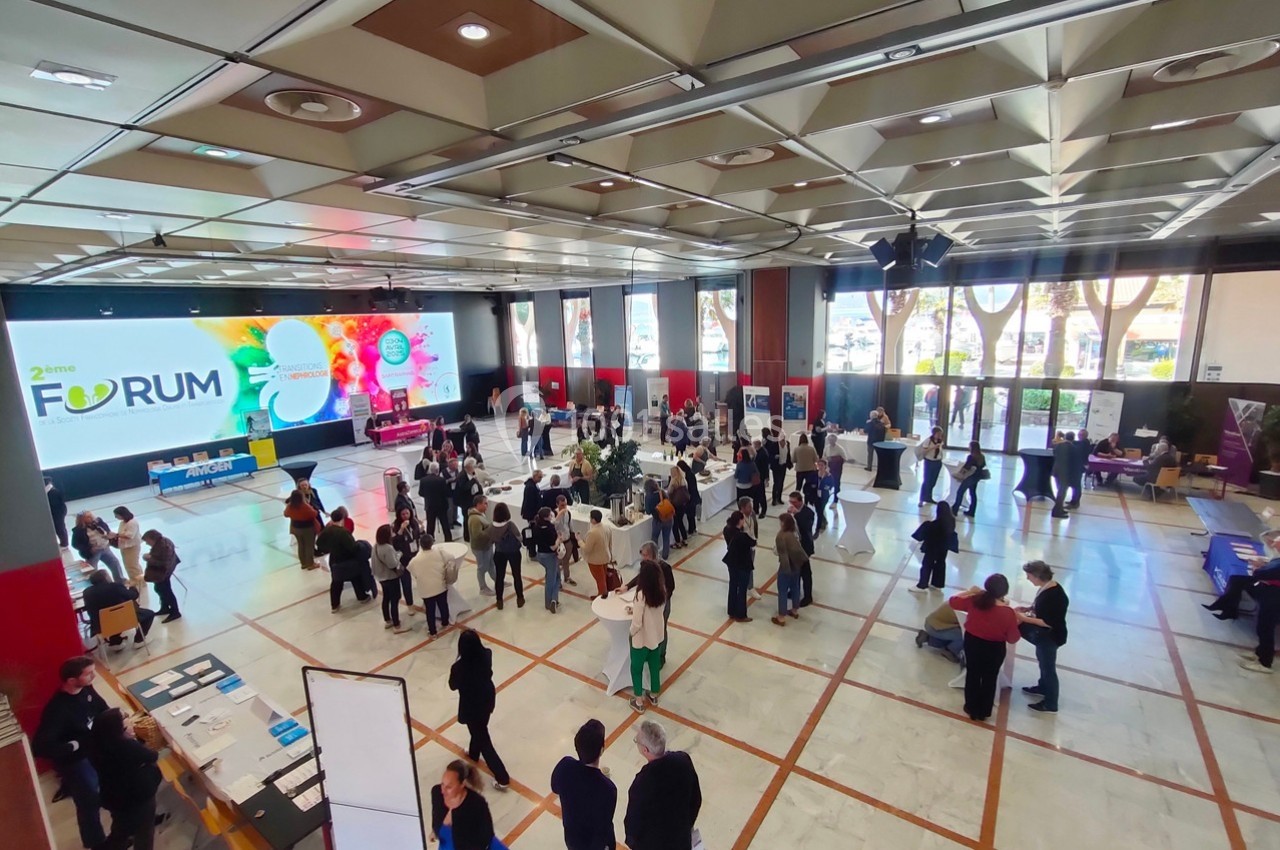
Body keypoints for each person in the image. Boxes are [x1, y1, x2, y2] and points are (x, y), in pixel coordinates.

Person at [34, 656, 107, 849]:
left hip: (94, 749)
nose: (94, 675)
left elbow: (101, 708)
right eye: (88, 673)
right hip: (76, 762)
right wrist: (72, 746)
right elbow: (40, 746)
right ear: (71, 680)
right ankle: (96, 843)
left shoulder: (87, 689)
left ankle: (126, 826)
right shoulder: (57, 710)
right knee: (88, 803)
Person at [948, 575, 1021, 721]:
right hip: (995, 648)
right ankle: (984, 710)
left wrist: (970, 591)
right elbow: (1013, 638)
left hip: (973, 642)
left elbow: (953, 602)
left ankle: (971, 707)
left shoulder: (975, 601)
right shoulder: (1008, 613)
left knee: (973, 674)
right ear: (1004, 592)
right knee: (990, 678)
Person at [624, 720, 702, 850]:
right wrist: (686, 826)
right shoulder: (683, 760)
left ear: (645, 750)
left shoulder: (642, 783)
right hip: (681, 841)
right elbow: (696, 798)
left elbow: (633, 822)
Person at [90, 708, 161, 850]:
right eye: (127, 727)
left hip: (114, 798)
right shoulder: (126, 746)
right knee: (144, 833)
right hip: (137, 799)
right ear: (119, 731)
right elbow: (152, 756)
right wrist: (135, 740)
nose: (132, 729)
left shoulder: (99, 745)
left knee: (121, 829)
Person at [449, 629, 510, 790]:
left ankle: (502, 777)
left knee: (483, 738)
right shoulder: (486, 654)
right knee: (480, 729)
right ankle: (474, 754)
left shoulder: (459, 667)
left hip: (471, 705)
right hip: (487, 699)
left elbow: (452, 685)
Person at [551, 719, 617, 850]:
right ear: (602, 750)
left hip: (573, 838)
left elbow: (554, 787)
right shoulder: (608, 788)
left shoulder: (565, 766)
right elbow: (603, 825)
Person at [1015, 560, 1069, 712]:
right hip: (1048, 635)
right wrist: (1027, 608)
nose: (1027, 579)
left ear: (1037, 576)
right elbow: (1042, 608)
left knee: (1047, 668)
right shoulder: (1048, 587)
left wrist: (1023, 618)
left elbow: (1047, 622)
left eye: (1029, 576)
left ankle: (1051, 703)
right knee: (1043, 663)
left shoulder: (1054, 595)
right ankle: (1043, 687)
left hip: (1050, 637)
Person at [628, 559, 668, 712]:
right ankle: (654, 694)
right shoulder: (661, 591)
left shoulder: (640, 595)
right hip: (656, 637)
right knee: (654, 667)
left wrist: (630, 633)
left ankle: (638, 701)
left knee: (636, 669)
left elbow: (637, 623)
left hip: (642, 639)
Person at [430, 760, 495, 850]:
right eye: (442, 784)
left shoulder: (477, 804)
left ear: (462, 784)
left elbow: (486, 835)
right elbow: (436, 814)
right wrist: (435, 831)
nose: (443, 790)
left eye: (449, 787)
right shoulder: (436, 792)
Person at [83, 569, 154, 647]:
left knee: (111, 617)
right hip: (122, 619)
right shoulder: (115, 586)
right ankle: (139, 640)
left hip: (101, 625)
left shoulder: (87, 593)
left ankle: (115, 642)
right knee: (149, 614)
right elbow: (133, 595)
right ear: (106, 577)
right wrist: (132, 587)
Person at [316, 516, 369, 610]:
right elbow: (352, 547)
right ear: (341, 520)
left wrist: (329, 549)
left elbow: (319, 543)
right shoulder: (343, 532)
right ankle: (362, 597)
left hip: (334, 559)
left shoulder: (327, 530)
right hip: (347, 559)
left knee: (336, 582)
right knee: (356, 578)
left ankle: (335, 605)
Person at [409, 533, 455, 637]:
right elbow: (451, 557)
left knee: (430, 611)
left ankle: (433, 632)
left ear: (420, 545)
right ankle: (445, 622)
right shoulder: (439, 552)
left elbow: (412, 571)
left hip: (426, 590)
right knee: (443, 605)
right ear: (432, 543)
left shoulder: (416, 559)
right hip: (440, 585)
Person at [911, 501, 958, 591]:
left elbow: (920, 536)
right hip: (943, 548)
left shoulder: (933, 525)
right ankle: (938, 584)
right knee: (940, 564)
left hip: (932, 548)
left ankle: (922, 585)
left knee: (927, 565)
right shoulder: (951, 521)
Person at [373, 525, 411, 633]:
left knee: (386, 598)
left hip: (381, 577)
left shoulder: (376, 546)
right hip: (390, 577)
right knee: (395, 599)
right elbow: (392, 564)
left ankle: (388, 620)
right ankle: (397, 625)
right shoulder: (388, 548)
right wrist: (399, 554)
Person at [140, 529, 181, 622]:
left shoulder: (163, 547)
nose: (146, 544)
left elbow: (163, 563)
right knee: (159, 589)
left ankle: (175, 611)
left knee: (166, 591)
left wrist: (149, 558)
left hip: (164, 572)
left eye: (147, 541)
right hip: (165, 570)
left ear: (152, 539)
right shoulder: (162, 542)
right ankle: (165, 607)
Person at [73, 511, 125, 584]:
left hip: (105, 548)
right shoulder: (78, 530)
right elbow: (75, 544)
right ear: (82, 519)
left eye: (91, 516)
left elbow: (107, 530)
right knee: (92, 571)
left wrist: (110, 536)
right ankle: (97, 585)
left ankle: (120, 582)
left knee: (115, 563)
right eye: (88, 517)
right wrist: (89, 549)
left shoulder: (99, 522)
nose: (91, 518)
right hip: (93, 552)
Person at [490, 503, 524, 610]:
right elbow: (519, 537)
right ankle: (520, 598)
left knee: (499, 577)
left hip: (499, 553)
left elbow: (490, 540)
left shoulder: (492, 526)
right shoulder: (510, 525)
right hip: (513, 552)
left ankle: (499, 600)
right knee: (516, 575)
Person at [773, 513, 805, 626]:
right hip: (796, 565)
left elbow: (777, 552)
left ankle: (781, 617)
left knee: (782, 590)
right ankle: (795, 610)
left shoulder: (781, 535)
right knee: (795, 586)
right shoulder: (795, 533)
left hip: (786, 566)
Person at [723, 511, 755, 622]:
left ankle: (731, 611)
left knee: (733, 585)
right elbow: (753, 542)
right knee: (742, 589)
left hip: (731, 561)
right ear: (740, 521)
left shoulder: (726, 530)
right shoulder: (742, 536)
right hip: (742, 563)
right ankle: (741, 614)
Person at [788, 491, 816, 606]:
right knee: (795, 571)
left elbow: (806, 527)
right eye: (790, 502)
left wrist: (796, 514)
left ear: (800, 501)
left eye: (794, 502)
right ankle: (796, 590)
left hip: (804, 547)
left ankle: (808, 596)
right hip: (794, 547)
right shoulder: (791, 512)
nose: (792, 504)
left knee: (805, 572)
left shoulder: (808, 512)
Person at [531, 507, 561, 612]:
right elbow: (553, 547)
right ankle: (551, 601)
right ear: (547, 517)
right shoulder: (549, 528)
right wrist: (559, 539)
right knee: (552, 580)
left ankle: (553, 599)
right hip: (550, 556)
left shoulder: (536, 526)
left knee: (555, 575)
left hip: (540, 555)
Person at [392, 507, 423, 609]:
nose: (405, 516)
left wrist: (422, 529)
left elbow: (418, 536)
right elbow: (395, 544)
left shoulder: (414, 523)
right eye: (403, 514)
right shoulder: (395, 526)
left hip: (415, 556)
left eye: (407, 513)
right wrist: (401, 530)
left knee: (422, 578)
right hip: (404, 559)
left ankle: (426, 598)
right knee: (406, 583)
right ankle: (410, 604)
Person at [415, 461, 452, 543]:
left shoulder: (423, 480)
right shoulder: (441, 480)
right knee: (445, 524)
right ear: (437, 470)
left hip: (430, 505)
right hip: (441, 505)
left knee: (430, 525)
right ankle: (448, 540)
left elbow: (420, 493)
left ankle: (429, 541)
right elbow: (446, 493)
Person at [283, 490, 320, 569]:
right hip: (307, 528)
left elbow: (285, 514)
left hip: (295, 528)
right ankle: (310, 564)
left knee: (301, 545)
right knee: (309, 546)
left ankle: (303, 563)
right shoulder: (304, 506)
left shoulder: (290, 505)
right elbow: (314, 513)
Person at [468, 495, 496, 597]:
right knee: (482, 567)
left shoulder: (480, 514)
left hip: (486, 546)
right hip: (480, 548)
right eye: (485, 503)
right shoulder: (475, 518)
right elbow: (477, 535)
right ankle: (483, 588)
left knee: (491, 564)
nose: (487, 506)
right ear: (478, 504)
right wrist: (491, 531)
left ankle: (498, 581)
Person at [111, 506, 144, 589]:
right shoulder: (123, 522)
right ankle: (134, 579)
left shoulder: (132, 523)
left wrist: (116, 535)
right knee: (128, 565)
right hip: (125, 546)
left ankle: (138, 581)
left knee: (133, 565)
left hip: (132, 547)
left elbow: (129, 535)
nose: (116, 517)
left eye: (117, 515)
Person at [952, 441, 987, 517]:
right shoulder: (981, 456)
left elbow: (966, 468)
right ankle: (972, 511)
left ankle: (955, 509)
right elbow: (983, 465)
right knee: (973, 493)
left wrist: (960, 473)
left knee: (960, 492)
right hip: (977, 477)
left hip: (970, 478)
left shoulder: (971, 457)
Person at [583, 509, 612, 598]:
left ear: (593, 520)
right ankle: (603, 592)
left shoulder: (592, 532)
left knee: (600, 580)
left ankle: (602, 596)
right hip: (606, 556)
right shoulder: (607, 527)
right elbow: (610, 543)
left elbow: (587, 549)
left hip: (595, 560)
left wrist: (579, 541)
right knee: (603, 578)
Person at [645, 479, 674, 561]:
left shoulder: (648, 497)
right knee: (666, 537)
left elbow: (648, 511)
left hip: (658, 520)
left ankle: (654, 556)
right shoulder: (662, 492)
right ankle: (665, 556)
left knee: (654, 538)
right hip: (668, 518)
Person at [553, 494, 579, 587]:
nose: (564, 507)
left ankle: (567, 577)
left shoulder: (568, 513)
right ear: (557, 504)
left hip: (567, 540)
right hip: (558, 543)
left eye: (565, 504)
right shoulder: (554, 514)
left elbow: (570, 525)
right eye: (562, 505)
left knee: (566, 561)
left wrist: (574, 535)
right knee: (556, 563)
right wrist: (559, 516)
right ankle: (557, 581)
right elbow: (553, 527)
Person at [456, 459, 483, 543]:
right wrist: (473, 481)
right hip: (466, 502)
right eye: (473, 466)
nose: (474, 468)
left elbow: (477, 484)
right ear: (469, 466)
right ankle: (467, 537)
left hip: (473, 499)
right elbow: (464, 488)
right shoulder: (462, 476)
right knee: (467, 519)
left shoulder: (472, 474)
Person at [918, 426, 944, 507]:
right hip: (929, 462)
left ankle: (929, 497)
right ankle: (921, 499)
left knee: (933, 481)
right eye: (938, 434)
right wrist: (933, 447)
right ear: (934, 433)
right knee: (927, 481)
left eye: (941, 434)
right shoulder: (928, 441)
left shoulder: (940, 441)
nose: (940, 435)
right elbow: (924, 450)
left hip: (937, 462)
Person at [1051, 430, 1074, 518]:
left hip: (1056, 470)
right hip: (1064, 472)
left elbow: (1054, 454)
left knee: (1059, 490)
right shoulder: (1072, 448)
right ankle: (1057, 511)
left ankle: (1059, 508)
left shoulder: (1058, 446)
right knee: (1062, 491)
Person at [668, 465, 692, 548]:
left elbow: (669, 492)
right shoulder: (683, 480)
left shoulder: (673, 481)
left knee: (675, 524)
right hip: (683, 504)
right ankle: (684, 539)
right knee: (681, 521)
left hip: (675, 505)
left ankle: (677, 541)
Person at [1068, 428, 1092, 508]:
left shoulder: (1085, 443)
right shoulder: (1080, 442)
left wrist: (1068, 442)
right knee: (1075, 485)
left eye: (1081, 435)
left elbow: (1078, 448)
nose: (1079, 435)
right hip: (1077, 466)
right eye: (1078, 434)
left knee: (1076, 485)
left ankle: (1075, 503)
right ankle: (1073, 501)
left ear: (1085, 436)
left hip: (1079, 467)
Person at [677, 458, 700, 535]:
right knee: (691, 515)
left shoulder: (688, 475)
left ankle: (691, 529)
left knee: (690, 515)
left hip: (690, 497)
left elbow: (689, 487)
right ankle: (693, 528)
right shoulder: (690, 472)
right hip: (693, 496)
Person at [770, 427, 792, 505]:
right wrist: (775, 457)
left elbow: (788, 455)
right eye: (782, 440)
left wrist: (789, 463)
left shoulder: (787, 444)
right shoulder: (774, 445)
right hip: (776, 466)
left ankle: (779, 498)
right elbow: (770, 455)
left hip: (783, 466)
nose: (783, 441)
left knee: (781, 482)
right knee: (776, 483)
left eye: (784, 440)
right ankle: (774, 499)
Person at [793, 433, 818, 498]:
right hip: (810, 470)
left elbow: (793, 460)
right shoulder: (811, 449)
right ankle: (807, 500)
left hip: (800, 470)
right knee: (808, 487)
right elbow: (816, 459)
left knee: (798, 486)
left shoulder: (796, 449)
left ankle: (796, 499)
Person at [47, 476, 68, 548]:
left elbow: (54, 504)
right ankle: (64, 542)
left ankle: (64, 543)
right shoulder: (52, 490)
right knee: (60, 527)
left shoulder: (52, 492)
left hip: (58, 512)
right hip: (59, 511)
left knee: (60, 528)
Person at [751, 438, 770, 517]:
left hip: (760, 477)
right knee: (755, 494)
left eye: (754, 445)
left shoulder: (763, 453)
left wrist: (766, 478)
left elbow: (766, 467)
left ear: (757, 445)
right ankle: (755, 509)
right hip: (755, 476)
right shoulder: (757, 452)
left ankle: (763, 510)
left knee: (761, 494)